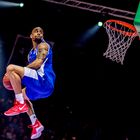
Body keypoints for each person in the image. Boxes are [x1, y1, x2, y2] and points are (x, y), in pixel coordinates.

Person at [3, 26, 56, 139]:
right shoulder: (30, 53)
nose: (38, 32)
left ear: (43, 36)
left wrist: (19, 72)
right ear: (31, 36)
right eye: (36, 31)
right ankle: (35, 123)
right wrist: (16, 77)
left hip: (44, 82)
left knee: (11, 68)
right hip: (40, 88)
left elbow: (37, 64)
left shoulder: (43, 46)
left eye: (41, 32)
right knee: (22, 95)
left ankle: (20, 104)